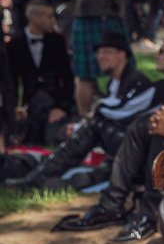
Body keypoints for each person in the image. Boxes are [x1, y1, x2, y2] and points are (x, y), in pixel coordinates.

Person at [54, 36, 164, 244]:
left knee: (153, 129)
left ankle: (135, 211)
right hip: (146, 152)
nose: (156, 55)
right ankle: (116, 205)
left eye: (163, 51)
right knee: (148, 124)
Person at [5, 31, 153, 192]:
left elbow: (119, 113)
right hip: (121, 145)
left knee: (91, 129)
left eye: (106, 52)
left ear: (122, 54)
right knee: (94, 164)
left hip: (137, 149)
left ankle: (36, 179)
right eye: (99, 53)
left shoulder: (135, 80)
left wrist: (81, 126)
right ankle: (40, 181)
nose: (100, 57)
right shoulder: (114, 81)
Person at [7, 0, 75, 146]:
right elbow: (11, 81)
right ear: (36, 19)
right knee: (24, 137)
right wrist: (13, 108)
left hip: (54, 105)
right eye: (49, 17)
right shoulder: (14, 44)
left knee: (55, 136)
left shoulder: (58, 41)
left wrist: (62, 107)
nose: (53, 20)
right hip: (29, 107)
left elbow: (68, 77)